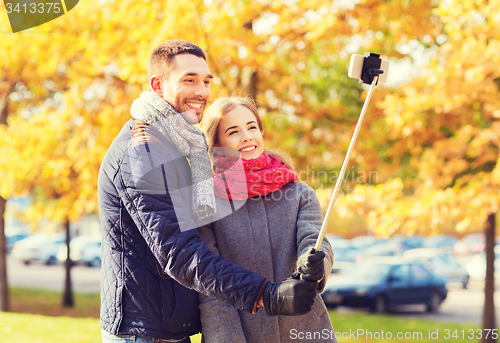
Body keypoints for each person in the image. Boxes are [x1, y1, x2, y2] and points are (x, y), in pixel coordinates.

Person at [98, 40, 320, 343]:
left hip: (174, 328)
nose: (201, 91)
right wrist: (266, 295)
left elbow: (212, 223)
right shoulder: (144, 150)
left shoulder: (188, 144)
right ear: (157, 84)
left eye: (206, 81)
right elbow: (180, 253)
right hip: (144, 332)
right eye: (189, 80)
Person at [198, 96, 338, 343]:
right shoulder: (207, 202)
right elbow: (211, 288)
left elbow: (315, 240)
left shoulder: (299, 193)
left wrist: (314, 261)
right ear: (216, 144)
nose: (247, 137)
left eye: (252, 127)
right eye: (233, 132)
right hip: (243, 333)